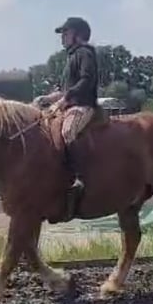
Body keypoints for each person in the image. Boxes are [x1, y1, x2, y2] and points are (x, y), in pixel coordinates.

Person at [34, 16, 102, 221]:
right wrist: (46, 98)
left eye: (66, 33)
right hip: (71, 103)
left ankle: (78, 177)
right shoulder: (71, 57)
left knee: (67, 131)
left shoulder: (85, 54)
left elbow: (86, 81)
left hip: (83, 105)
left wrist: (66, 99)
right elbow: (64, 89)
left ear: (78, 35)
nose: (63, 37)